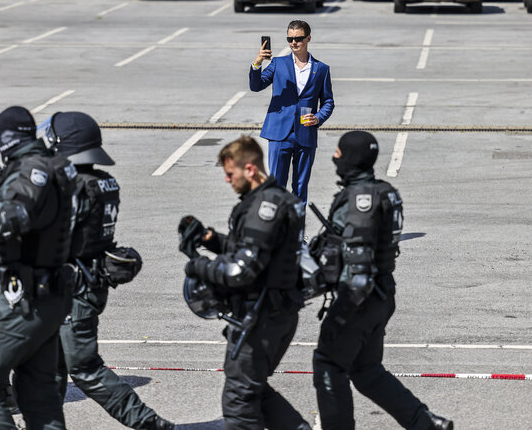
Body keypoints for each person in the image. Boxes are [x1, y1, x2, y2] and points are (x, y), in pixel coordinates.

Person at [311, 130, 453, 430]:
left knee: (328, 365)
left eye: (338, 152)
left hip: (358, 299)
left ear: (351, 156)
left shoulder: (361, 200)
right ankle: (425, 423)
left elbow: (359, 265)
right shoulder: (385, 192)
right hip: (381, 296)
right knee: (365, 371)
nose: (334, 157)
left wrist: (339, 311)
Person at [47, 111, 175, 430]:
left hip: (74, 289)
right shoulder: (104, 181)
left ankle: (149, 424)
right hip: (88, 280)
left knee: (85, 368)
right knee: (48, 363)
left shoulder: (74, 187)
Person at [0, 106, 76, 428]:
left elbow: (6, 223)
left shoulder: (29, 170)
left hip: (23, 298)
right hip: (51, 294)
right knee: (38, 393)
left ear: (5, 138)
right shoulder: (56, 166)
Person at [183, 136, 311, 430]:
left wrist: (199, 266)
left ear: (250, 169)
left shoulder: (265, 207)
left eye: (231, 174)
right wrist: (212, 241)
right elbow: (257, 251)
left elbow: (242, 271)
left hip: (261, 318)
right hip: (273, 314)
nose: (228, 180)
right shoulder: (276, 199)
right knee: (254, 390)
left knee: (239, 405)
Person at [249, 20, 334, 205]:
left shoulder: (322, 69)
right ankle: (278, 233)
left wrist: (318, 117)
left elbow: (328, 101)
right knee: (276, 189)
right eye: (290, 39)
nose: (294, 43)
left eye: (298, 38)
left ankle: (298, 234)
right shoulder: (278, 63)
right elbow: (256, 86)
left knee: (300, 189)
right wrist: (257, 63)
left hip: (305, 134)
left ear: (308, 38)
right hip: (279, 134)